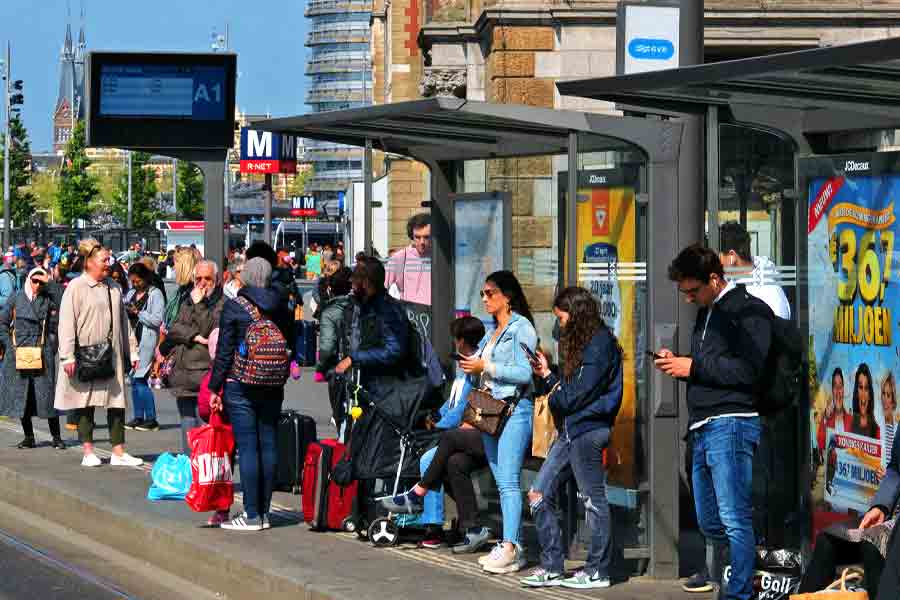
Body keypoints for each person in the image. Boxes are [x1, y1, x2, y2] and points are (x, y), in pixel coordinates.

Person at [384, 270, 537, 573]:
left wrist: (487, 365)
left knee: (507, 483)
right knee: (498, 478)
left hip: (513, 412)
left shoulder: (522, 328)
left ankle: (510, 546)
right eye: (482, 293)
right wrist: (472, 366)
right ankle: (509, 545)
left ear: (507, 296)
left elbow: (525, 373)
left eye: (489, 293)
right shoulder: (494, 330)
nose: (484, 298)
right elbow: (478, 369)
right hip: (491, 412)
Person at [654, 244, 771, 600]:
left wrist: (694, 367)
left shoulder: (748, 311)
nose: (689, 299)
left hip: (732, 422)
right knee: (709, 520)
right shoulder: (707, 312)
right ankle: (737, 577)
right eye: (684, 292)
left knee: (734, 518)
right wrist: (683, 363)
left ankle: (737, 593)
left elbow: (751, 371)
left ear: (715, 279)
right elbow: (714, 366)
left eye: (693, 290)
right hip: (704, 425)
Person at [520, 287, 622, 590]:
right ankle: (552, 566)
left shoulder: (600, 346)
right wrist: (548, 376)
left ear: (576, 316)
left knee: (593, 500)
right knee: (538, 495)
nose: (559, 325)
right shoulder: (586, 345)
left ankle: (597, 571)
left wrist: (554, 390)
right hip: (572, 430)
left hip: (587, 430)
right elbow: (570, 391)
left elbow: (574, 396)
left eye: (561, 318)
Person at [381, 316, 488, 551]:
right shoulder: (463, 366)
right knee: (440, 461)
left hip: (465, 433)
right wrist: (435, 415)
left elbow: (462, 409)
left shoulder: (474, 369)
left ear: (461, 341)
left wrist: (438, 425)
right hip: (456, 432)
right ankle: (452, 522)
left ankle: (433, 524)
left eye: (455, 339)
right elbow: (451, 402)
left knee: (429, 459)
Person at [208, 258, 285, 532]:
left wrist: (214, 387)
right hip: (273, 383)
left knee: (248, 448)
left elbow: (224, 352)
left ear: (247, 277)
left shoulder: (235, 306)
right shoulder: (280, 304)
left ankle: (251, 514)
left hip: (241, 383)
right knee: (269, 445)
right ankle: (265, 512)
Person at [54, 240, 143, 468]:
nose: (108, 264)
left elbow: (124, 322)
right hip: (85, 354)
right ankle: (88, 451)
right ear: (90, 262)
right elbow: (66, 323)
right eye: (104, 260)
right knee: (85, 402)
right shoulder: (76, 287)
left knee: (117, 402)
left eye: (108, 260)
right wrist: (67, 356)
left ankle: (118, 451)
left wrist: (132, 350)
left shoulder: (113, 286)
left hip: (111, 354)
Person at [800, 430, 900, 599]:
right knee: (828, 542)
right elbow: (896, 468)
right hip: (892, 514)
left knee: (872, 547)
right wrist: (881, 506)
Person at [160, 260, 224, 454]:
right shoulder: (188, 300)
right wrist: (193, 336)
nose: (203, 283)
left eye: (208, 278)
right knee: (187, 424)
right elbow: (174, 328)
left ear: (217, 280)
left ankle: (202, 472)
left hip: (203, 373)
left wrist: (200, 304)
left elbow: (209, 329)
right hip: (182, 373)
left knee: (204, 426)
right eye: (198, 278)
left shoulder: (222, 303)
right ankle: (190, 470)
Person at [0, 267, 63, 449]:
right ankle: (29, 436)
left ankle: (56, 437)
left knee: (47, 396)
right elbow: (3, 323)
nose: (37, 284)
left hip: (41, 351)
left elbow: (63, 302)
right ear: (28, 279)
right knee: (22, 397)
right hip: (18, 352)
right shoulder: (16, 297)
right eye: (34, 280)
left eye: (40, 281)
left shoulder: (47, 297)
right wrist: (10, 346)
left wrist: (49, 283)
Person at [123, 263, 165, 432]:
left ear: (146, 278)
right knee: (134, 380)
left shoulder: (155, 294)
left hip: (146, 340)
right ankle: (139, 416)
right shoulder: (131, 293)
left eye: (138, 281)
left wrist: (138, 312)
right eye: (132, 281)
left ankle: (151, 418)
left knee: (140, 378)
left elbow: (157, 320)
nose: (135, 284)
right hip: (132, 340)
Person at [314, 266, 354, 427]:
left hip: (339, 368)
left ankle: (344, 441)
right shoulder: (360, 306)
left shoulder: (330, 312)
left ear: (331, 289)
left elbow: (327, 347)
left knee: (342, 413)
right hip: (363, 367)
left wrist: (322, 366)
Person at [385, 213, 432, 305]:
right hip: (409, 315)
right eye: (417, 237)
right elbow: (382, 288)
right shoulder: (399, 258)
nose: (422, 242)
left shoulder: (439, 259)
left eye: (426, 237)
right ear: (411, 236)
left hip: (435, 315)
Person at [852, 363, 880, 440]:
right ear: (856, 392)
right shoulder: (848, 423)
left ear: (870, 395)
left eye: (866, 388)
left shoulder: (876, 430)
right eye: (860, 387)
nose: (863, 394)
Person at [882, 372, 896, 471]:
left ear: (893, 400)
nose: (885, 399)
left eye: (888, 395)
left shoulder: (897, 430)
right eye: (883, 394)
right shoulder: (877, 426)